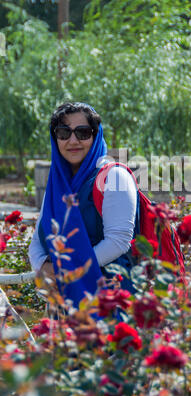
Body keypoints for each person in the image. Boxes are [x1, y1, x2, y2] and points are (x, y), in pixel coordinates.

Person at [28, 102, 138, 310]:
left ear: (96, 135)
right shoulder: (57, 185)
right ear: (55, 138)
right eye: (63, 132)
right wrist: (43, 266)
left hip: (110, 302)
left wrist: (68, 272)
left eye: (83, 132)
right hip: (67, 303)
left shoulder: (113, 177)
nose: (73, 140)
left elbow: (119, 240)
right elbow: (37, 240)